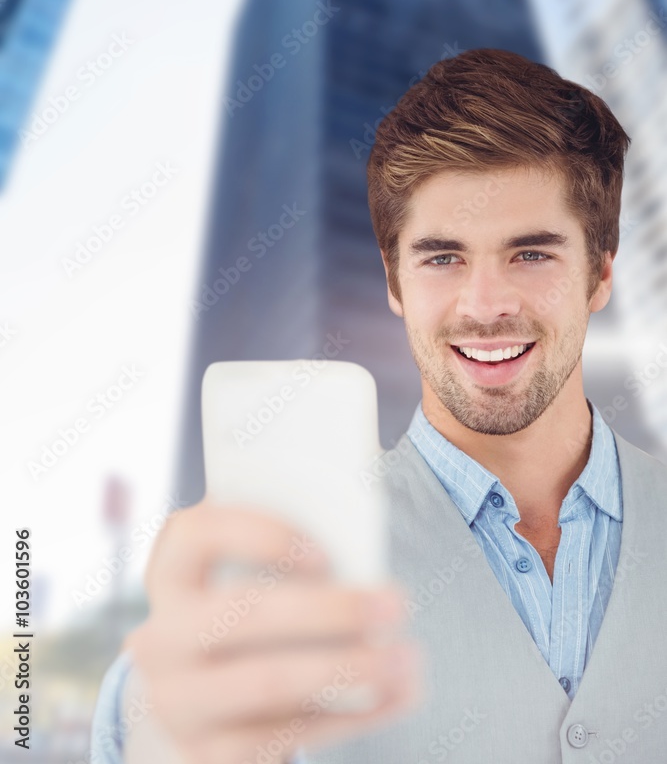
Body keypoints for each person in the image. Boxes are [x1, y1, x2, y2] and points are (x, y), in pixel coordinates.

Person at [91, 49, 667, 763]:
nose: (484, 306)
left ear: (599, 273)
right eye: (441, 257)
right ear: (394, 284)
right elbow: (159, 713)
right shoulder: (285, 571)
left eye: (529, 254)